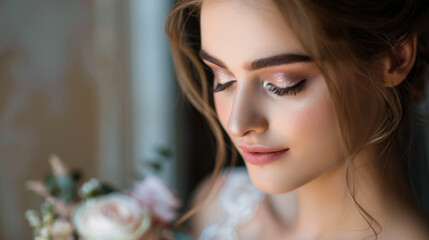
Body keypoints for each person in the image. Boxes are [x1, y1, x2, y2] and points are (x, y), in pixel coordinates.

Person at [165, 0, 429, 239]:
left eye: (283, 84)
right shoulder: (217, 207)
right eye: (223, 79)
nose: (237, 123)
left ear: (395, 60)